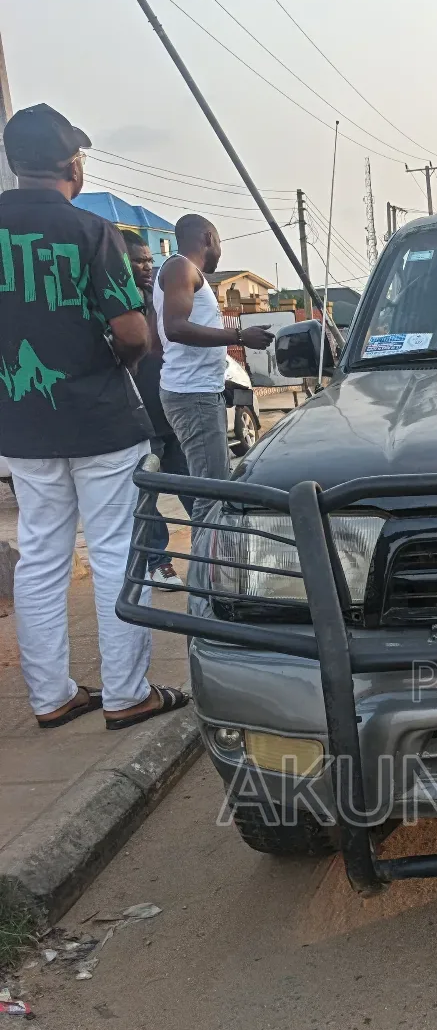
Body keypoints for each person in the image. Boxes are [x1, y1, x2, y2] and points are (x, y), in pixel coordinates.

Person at [0, 103, 189, 729]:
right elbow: (133, 334)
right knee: (114, 553)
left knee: (41, 557)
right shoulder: (92, 231)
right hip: (101, 420)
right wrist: (112, 353)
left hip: (22, 425)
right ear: (70, 163)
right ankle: (125, 694)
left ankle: (51, 698)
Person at [154, 214, 273, 486]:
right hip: (193, 393)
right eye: (219, 242)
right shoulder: (180, 269)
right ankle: (210, 531)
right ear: (208, 238)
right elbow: (174, 328)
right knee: (213, 491)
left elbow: (157, 336)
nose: (219, 252)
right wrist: (240, 336)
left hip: (199, 389)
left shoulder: (182, 273)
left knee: (210, 485)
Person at [123, 230, 186, 587]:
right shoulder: (116, 304)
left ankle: (218, 552)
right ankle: (158, 562)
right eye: (139, 261)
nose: (147, 267)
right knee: (145, 497)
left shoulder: (159, 297)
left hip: (173, 409)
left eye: (150, 260)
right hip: (139, 418)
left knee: (196, 487)